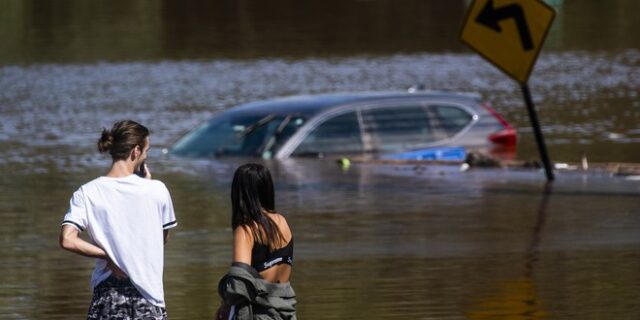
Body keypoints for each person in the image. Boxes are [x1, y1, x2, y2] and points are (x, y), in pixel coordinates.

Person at [59, 120, 177, 320]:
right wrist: (146, 186)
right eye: (147, 151)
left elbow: (67, 239)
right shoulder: (157, 190)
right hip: (148, 297)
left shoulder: (86, 192)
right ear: (136, 151)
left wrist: (108, 256)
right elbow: (161, 239)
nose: (146, 156)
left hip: (107, 297)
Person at [215, 163, 297, 320]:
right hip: (285, 310)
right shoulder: (282, 222)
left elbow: (239, 282)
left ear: (239, 193)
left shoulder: (246, 229)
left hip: (259, 312)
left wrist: (225, 305)